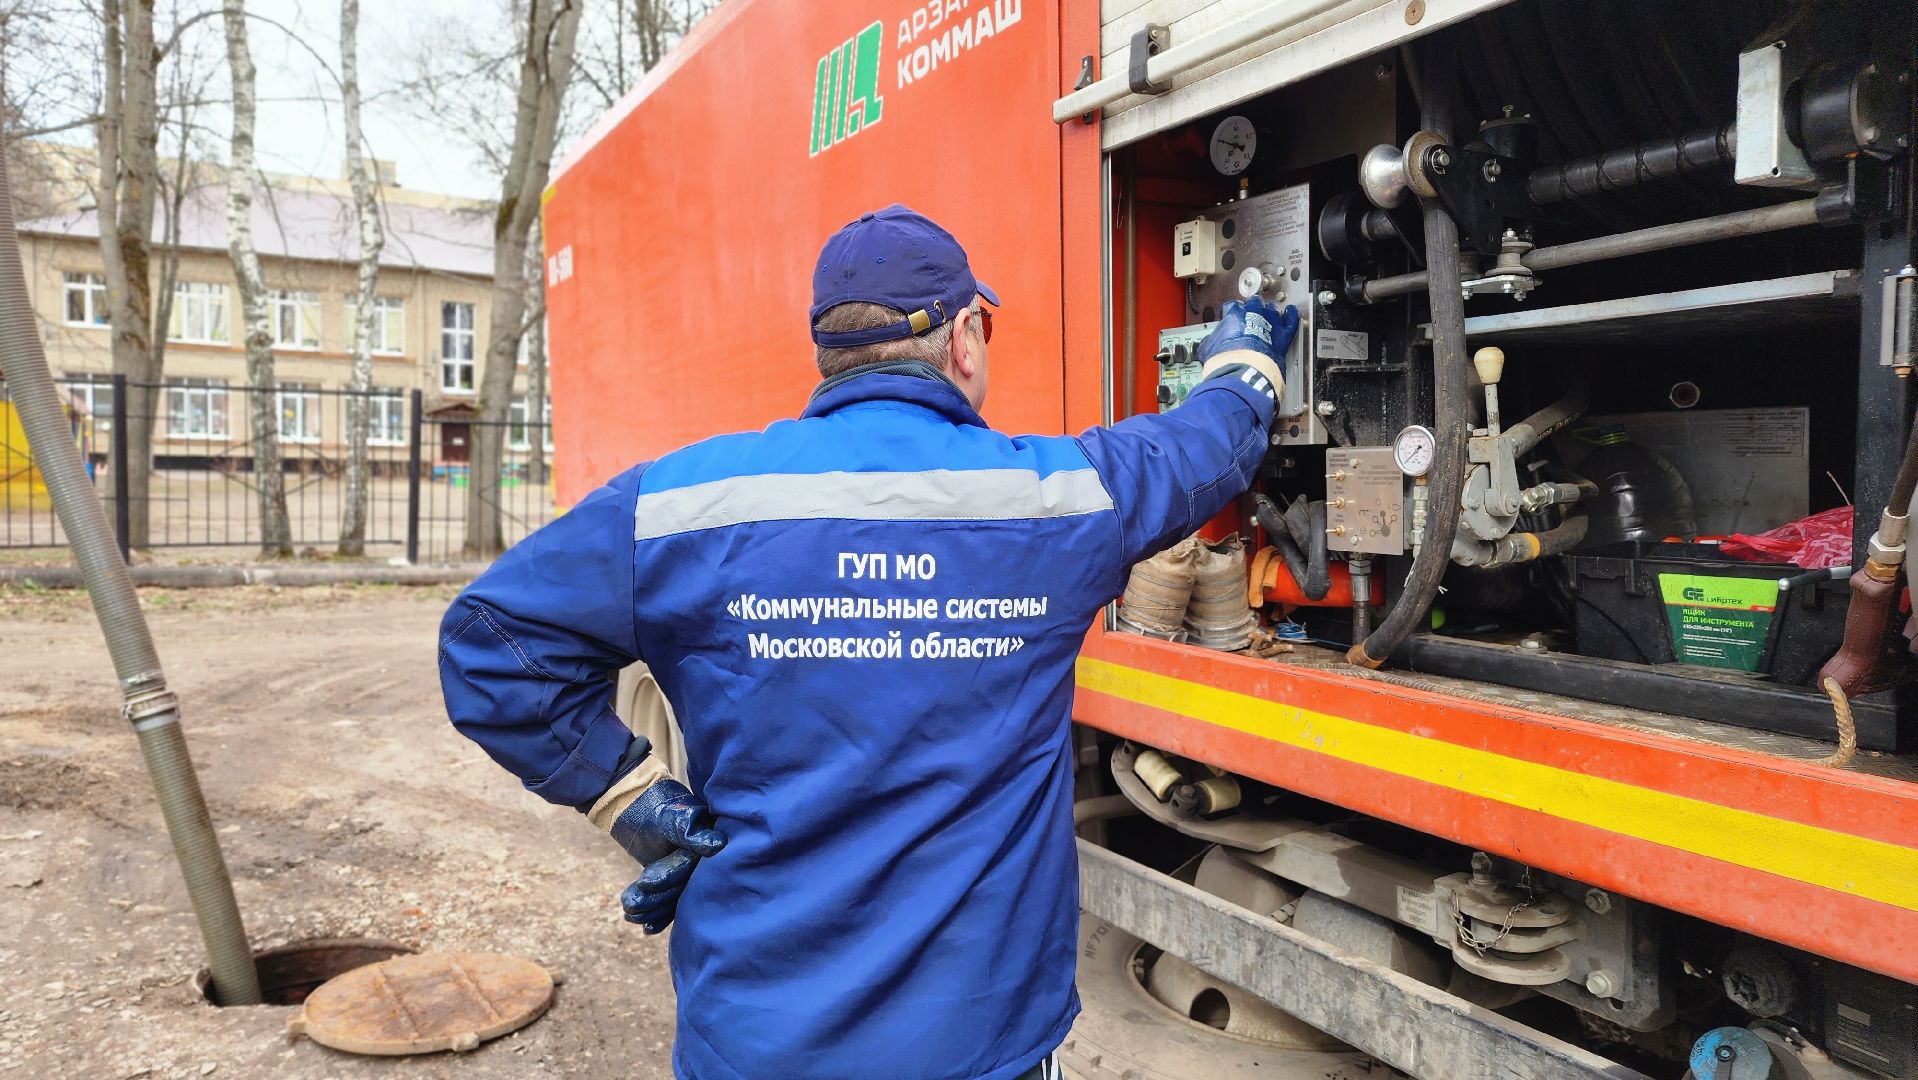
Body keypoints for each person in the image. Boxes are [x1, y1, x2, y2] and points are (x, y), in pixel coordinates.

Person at [438, 204, 1297, 1080]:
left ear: (829, 354)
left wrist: (626, 797)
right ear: (965, 336)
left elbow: (490, 643)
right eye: (984, 326)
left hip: (755, 1043)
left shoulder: (681, 503)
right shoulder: (1059, 503)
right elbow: (1205, 444)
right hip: (972, 1047)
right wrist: (1248, 351)